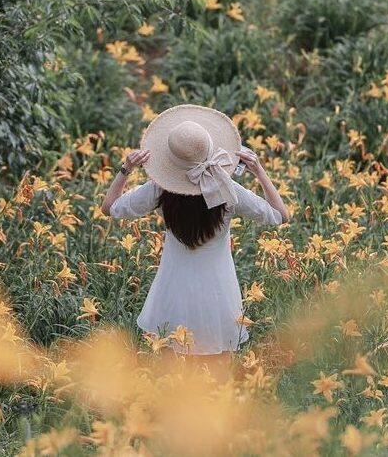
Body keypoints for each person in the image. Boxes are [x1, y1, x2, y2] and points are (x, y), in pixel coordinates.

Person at [100, 104, 288, 378]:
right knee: (218, 383)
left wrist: (126, 168)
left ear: (171, 161)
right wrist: (259, 172)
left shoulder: (160, 189)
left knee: (169, 381)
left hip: (172, 292)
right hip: (219, 294)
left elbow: (109, 207)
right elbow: (280, 216)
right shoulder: (227, 190)